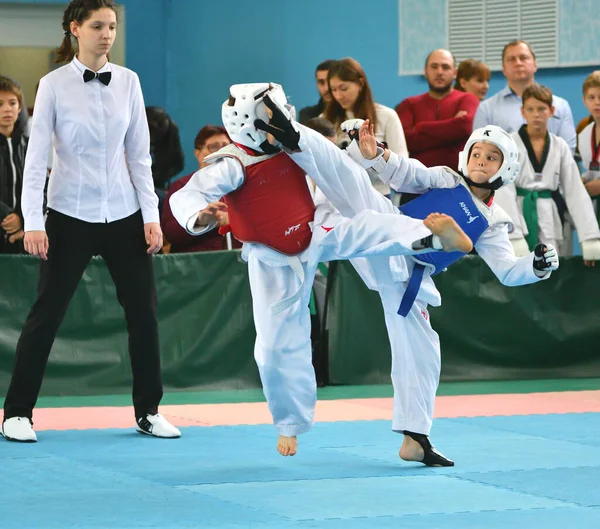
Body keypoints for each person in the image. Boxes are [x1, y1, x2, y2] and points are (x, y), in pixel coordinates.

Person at [170, 83, 473, 458]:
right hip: (273, 260)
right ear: (249, 124)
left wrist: (353, 149)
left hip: (314, 231)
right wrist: (197, 216)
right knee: (276, 346)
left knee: (368, 226)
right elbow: (187, 194)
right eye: (272, 116)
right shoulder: (232, 164)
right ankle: (290, 424)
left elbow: (338, 169)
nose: (281, 121)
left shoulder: (295, 141)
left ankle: (427, 235)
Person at [279, 115, 559, 467]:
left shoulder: (493, 222)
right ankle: (297, 137)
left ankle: (416, 438)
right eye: (477, 154)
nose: (481, 162)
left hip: (408, 275)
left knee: (423, 352)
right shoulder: (446, 178)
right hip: (387, 234)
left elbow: (506, 270)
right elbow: (406, 174)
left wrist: (536, 267)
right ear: (466, 157)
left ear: (506, 168)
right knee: (354, 185)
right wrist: (376, 154)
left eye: (491, 158)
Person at [1, 0, 180, 443]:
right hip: (67, 215)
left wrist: (151, 215)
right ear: (74, 29)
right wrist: (34, 220)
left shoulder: (130, 83)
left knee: (144, 313)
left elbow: (140, 156)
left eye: (112, 26)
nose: (107, 34)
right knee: (47, 312)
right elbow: (37, 157)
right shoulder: (52, 85)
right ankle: (17, 413)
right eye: (97, 26)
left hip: (124, 213)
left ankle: (148, 411)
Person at [494, 84, 600, 263]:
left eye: (541, 109)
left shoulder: (560, 146)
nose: (536, 114)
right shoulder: (508, 143)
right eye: (530, 109)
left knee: (551, 270)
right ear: (522, 111)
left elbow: (575, 191)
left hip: (550, 215)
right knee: (518, 272)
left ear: (551, 110)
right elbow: (504, 191)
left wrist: (589, 237)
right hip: (519, 212)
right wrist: (514, 235)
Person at [324, 58, 407, 197]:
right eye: (333, 90)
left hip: (378, 194)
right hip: (340, 197)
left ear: (360, 83)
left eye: (344, 88)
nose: (338, 95)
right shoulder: (326, 119)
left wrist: (375, 157)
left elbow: (402, 164)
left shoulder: (387, 116)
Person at [473, 40, 576, 153]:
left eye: (523, 58)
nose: (518, 63)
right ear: (503, 69)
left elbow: (568, 150)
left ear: (535, 64)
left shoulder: (560, 105)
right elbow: (481, 151)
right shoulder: (487, 109)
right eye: (511, 59)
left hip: (553, 169)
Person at [161, 125, 239, 253]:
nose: (220, 152)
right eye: (213, 147)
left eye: (225, 146)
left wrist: (235, 220)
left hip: (240, 263)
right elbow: (170, 232)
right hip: (196, 264)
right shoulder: (182, 186)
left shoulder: (241, 183)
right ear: (197, 154)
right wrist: (200, 221)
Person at [0, 76, 28, 254]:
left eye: (12, 102)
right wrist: (7, 217)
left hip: (23, 238)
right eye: (0, 104)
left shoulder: (30, 146)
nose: (7, 110)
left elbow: (43, 188)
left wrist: (22, 218)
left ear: (19, 108)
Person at [298, 60, 336, 125]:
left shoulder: (351, 114)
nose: (326, 88)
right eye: (321, 82)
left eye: (330, 81)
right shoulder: (307, 115)